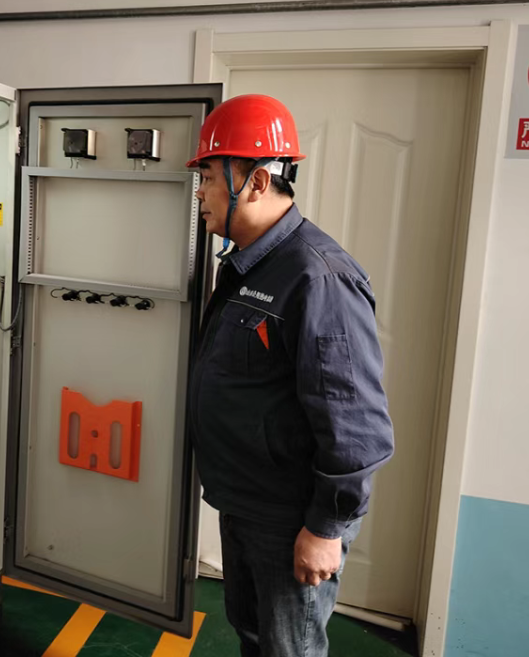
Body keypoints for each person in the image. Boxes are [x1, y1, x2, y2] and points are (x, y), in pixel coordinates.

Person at [188, 94, 395, 657]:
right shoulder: (247, 264)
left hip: (290, 517)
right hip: (247, 502)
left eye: (208, 178)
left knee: (290, 649)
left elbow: (356, 427)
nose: (200, 193)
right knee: (254, 635)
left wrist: (326, 528)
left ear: (256, 182)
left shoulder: (317, 277)